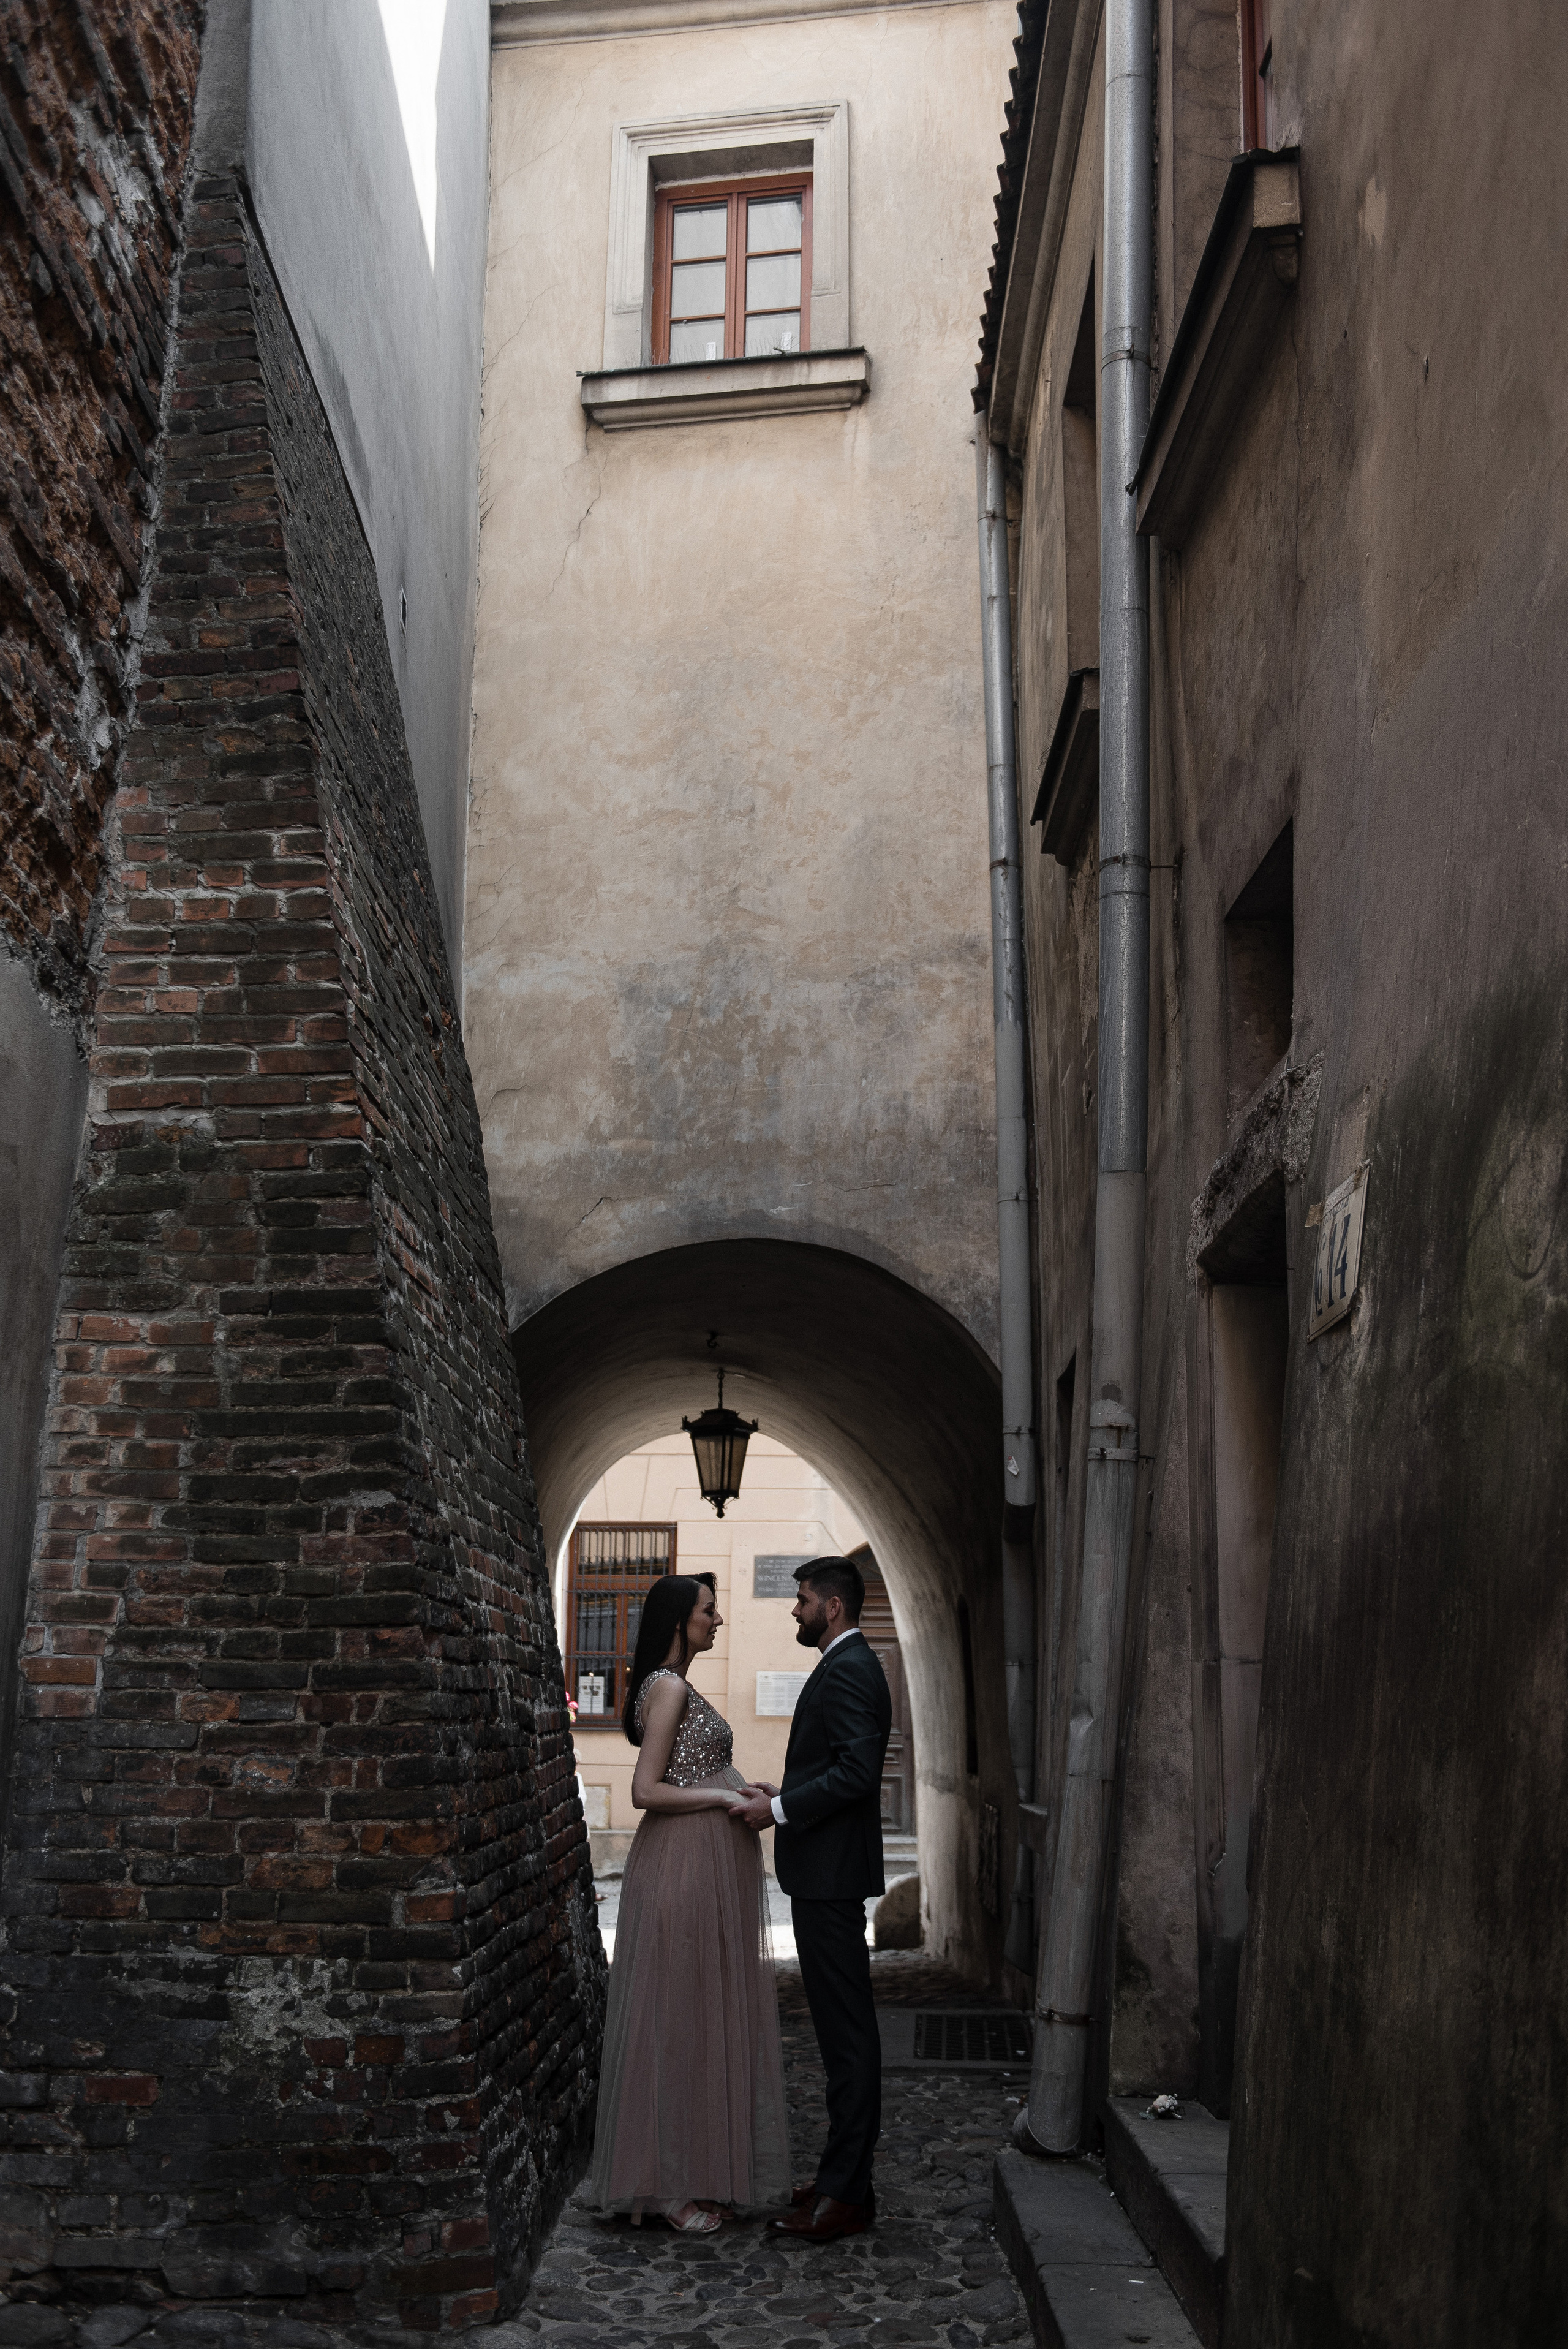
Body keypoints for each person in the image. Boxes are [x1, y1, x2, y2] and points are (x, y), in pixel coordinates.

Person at [586, 1573, 791, 2233]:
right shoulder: (669, 1687)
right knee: (675, 2020)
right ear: (680, 1619)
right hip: (681, 1865)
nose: (719, 1619)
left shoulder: (675, 1683)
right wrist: (723, 1796)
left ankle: (694, 2172)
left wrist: (743, 1788)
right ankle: (667, 2189)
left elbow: (685, 1771)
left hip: (700, 1864)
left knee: (700, 2016)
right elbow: (646, 1790)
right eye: (709, 1609)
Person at [732, 1556, 892, 2243]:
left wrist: (780, 1812)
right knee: (838, 2035)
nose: (793, 1611)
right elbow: (836, 1766)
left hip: (831, 1878)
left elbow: (857, 1773)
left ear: (832, 1606)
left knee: (847, 2039)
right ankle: (842, 2182)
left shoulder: (851, 1667)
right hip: (824, 1873)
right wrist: (786, 1793)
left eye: (801, 1600)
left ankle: (846, 2196)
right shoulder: (844, 1663)